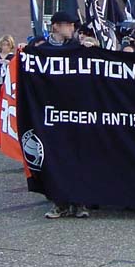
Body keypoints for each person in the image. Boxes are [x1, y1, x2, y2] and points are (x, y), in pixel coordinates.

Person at [41, 11, 90, 218]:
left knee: (78, 157)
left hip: (76, 113)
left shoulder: (78, 48)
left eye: (73, 25)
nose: (72, 28)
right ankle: (60, 202)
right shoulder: (41, 50)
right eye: (68, 25)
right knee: (56, 158)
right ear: (55, 27)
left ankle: (80, 202)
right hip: (52, 113)